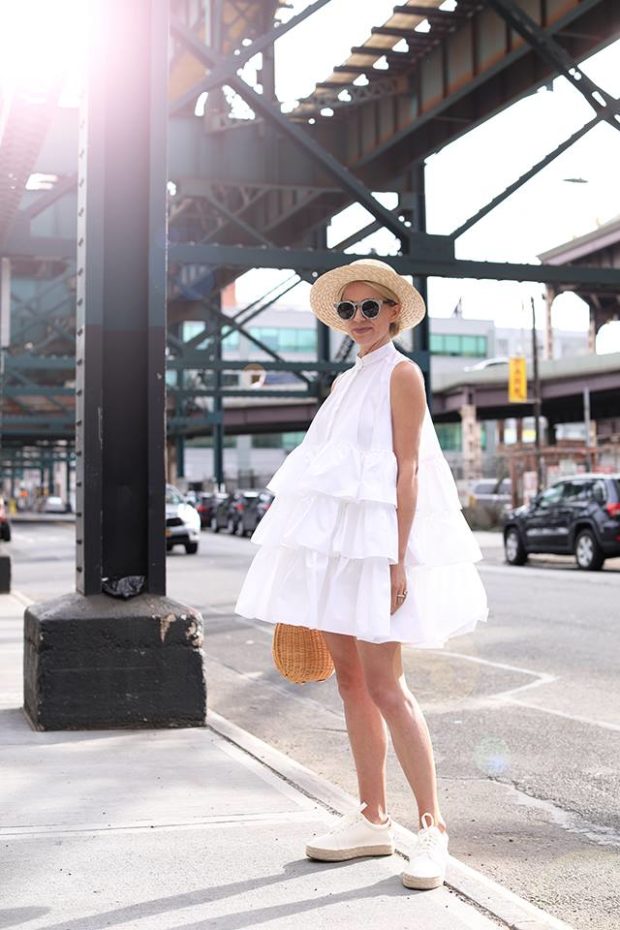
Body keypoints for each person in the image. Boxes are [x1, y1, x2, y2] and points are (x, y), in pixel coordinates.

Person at [234, 258, 489, 890]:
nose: (357, 320)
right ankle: (374, 818)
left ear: (394, 313)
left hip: (378, 550)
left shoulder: (403, 374)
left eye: (369, 308)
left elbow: (408, 471)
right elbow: (324, 478)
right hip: (341, 554)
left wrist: (398, 557)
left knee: (387, 686)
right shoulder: (346, 382)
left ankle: (432, 830)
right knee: (350, 681)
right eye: (347, 311)